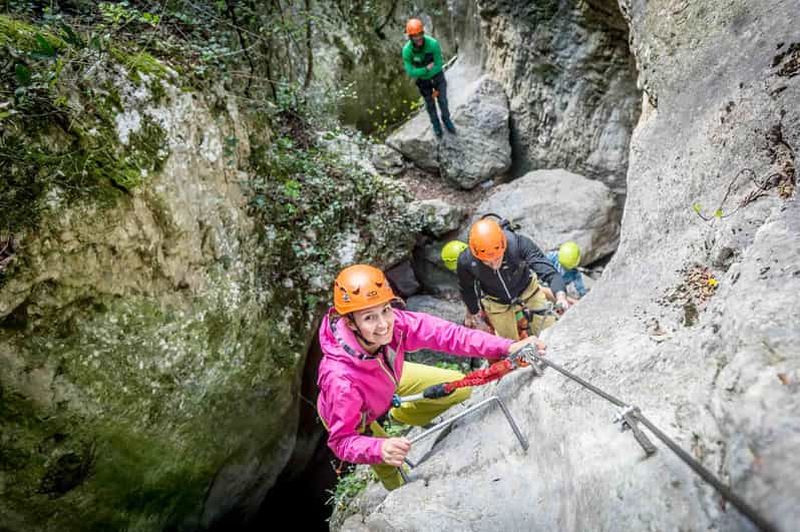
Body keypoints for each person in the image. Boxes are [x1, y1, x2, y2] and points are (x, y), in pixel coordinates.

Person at [317, 264, 543, 490]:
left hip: (386, 375)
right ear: (350, 323)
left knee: (457, 386)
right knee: (390, 464)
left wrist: (508, 346)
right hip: (356, 409)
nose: (384, 324)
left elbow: (448, 335)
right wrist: (379, 449)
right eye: (369, 318)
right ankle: (400, 495)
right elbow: (341, 441)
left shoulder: (396, 325)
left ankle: (400, 414)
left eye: (385, 310)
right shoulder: (340, 381)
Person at [456, 217, 571, 340]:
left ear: (503, 245)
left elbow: (549, 272)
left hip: (528, 290)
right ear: (476, 254)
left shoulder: (518, 244)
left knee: (549, 332)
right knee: (509, 345)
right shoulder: (466, 261)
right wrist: (474, 312)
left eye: (497, 259)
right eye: (487, 262)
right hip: (497, 302)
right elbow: (467, 289)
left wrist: (561, 297)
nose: (494, 265)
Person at [402, 18, 455, 138]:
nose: (418, 37)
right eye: (415, 35)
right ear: (410, 36)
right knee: (430, 104)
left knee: (443, 101)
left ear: (423, 33)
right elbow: (410, 72)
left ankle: (446, 120)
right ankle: (436, 125)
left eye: (420, 34)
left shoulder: (433, 44)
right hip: (423, 81)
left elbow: (438, 65)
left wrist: (421, 72)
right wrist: (426, 70)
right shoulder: (407, 51)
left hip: (437, 77)